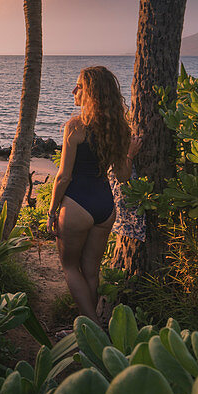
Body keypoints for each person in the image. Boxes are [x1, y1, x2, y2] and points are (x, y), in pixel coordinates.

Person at [47, 66, 141, 324]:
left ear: (91, 93)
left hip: (77, 205)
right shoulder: (119, 129)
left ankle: (91, 329)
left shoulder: (75, 127)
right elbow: (122, 177)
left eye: (79, 86)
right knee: (90, 271)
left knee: (69, 268)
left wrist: (52, 210)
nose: (73, 90)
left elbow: (64, 176)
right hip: (105, 206)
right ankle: (92, 325)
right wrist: (130, 153)